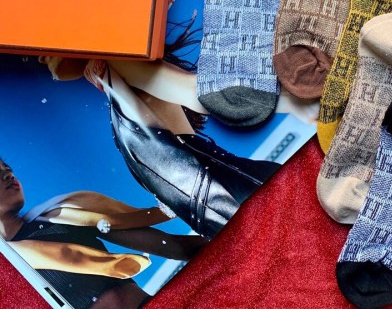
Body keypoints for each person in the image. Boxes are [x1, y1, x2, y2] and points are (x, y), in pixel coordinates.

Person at [38, 56, 286, 238]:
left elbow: (195, 92)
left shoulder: (120, 64)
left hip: (248, 197)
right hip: (234, 217)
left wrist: (292, 103)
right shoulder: (112, 83)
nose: (39, 57)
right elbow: (176, 196)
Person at [0, 159, 206, 309]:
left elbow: (171, 246)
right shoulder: (6, 275)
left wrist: (224, 238)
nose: (8, 174)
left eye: (7, 168)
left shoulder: (60, 215)